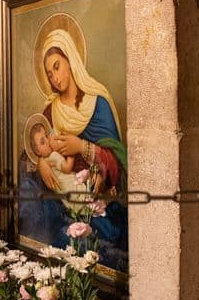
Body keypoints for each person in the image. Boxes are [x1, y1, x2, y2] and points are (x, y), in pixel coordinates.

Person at [18, 18, 128, 271]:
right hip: (59, 191)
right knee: (29, 190)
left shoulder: (97, 103)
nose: (54, 77)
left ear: (72, 59)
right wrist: (42, 163)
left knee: (86, 232)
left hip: (93, 196)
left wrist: (82, 147)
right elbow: (34, 149)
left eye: (57, 67)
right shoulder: (50, 109)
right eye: (49, 73)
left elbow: (118, 158)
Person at [24, 114, 90, 214]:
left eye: (46, 136)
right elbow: (67, 168)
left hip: (64, 193)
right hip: (70, 185)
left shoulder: (46, 159)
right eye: (42, 142)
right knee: (86, 195)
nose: (47, 141)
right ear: (37, 152)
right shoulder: (53, 156)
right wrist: (72, 153)